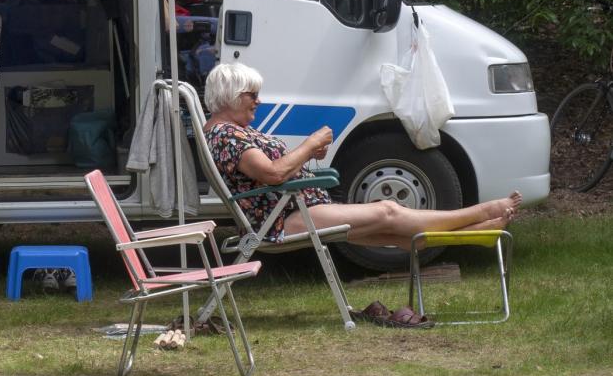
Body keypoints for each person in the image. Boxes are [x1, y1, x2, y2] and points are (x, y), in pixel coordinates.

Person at [203, 63, 520, 250]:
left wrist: (308, 155)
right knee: (388, 212)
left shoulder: (230, 132)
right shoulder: (226, 136)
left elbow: (275, 172)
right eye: (252, 95)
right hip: (282, 219)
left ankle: (475, 236)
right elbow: (272, 174)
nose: (258, 101)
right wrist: (310, 145)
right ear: (229, 96)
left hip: (293, 209)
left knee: (393, 234)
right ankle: (480, 212)